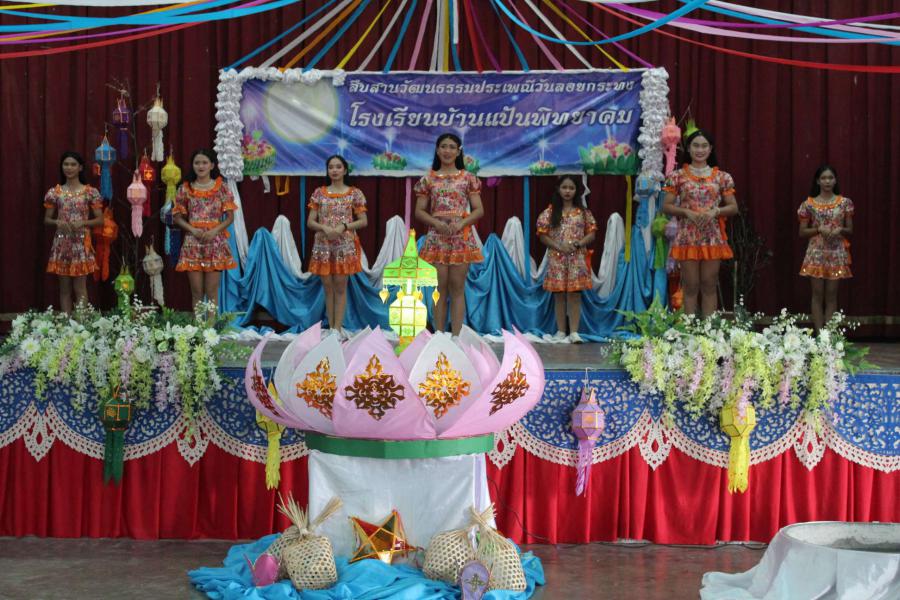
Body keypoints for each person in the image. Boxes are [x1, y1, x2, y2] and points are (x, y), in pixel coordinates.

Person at [662, 129, 738, 317]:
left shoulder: (722, 177)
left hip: (712, 237)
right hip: (687, 237)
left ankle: (708, 329)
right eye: (695, 145)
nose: (700, 150)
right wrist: (686, 212)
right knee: (690, 286)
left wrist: (715, 211)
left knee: (709, 285)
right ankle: (690, 330)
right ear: (688, 148)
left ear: (710, 149)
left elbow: (733, 207)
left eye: (704, 146)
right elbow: (666, 206)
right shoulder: (677, 176)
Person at [414, 133, 484, 336]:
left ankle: (456, 336)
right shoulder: (428, 179)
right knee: (440, 288)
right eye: (443, 146)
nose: (447, 150)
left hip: (461, 239)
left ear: (458, 151)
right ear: (437, 150)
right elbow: (419, 211)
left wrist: (461, 223)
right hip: (437, 239)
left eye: (452, 147)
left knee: (457, 288)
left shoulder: (468, 178)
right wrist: (436, 223)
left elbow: (479, 209)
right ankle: (439, 334)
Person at [307, 155, 367, 337]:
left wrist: (344, 226)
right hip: (323, 246)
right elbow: (310, 221)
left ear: (345, 170)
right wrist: (324, 227)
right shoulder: (319, 193)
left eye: (338, 167)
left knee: (340, 287)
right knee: (328, 287)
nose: (334, 170)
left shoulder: (354, 193)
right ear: (327, 171)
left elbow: (363, 221)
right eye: (331, 167)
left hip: (344, 246)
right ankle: (330, 328)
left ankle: (337, 330)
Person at [172, 148, 237, 312]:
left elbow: (230, 217)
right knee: (196, 292)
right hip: (193, 243)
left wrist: (215, 231)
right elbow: (177, 217)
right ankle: (198, 327)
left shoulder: (221, 188)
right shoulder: (185, 189)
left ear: (212, 165)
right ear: (192, 165)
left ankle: (211, 327)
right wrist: (192, 230)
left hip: (215, 243)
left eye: (204, 163)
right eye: (197, 163)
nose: (200, 166)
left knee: (212, 292)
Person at [536, 175, 597, 343]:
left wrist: (578, 244)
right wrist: (558, 246)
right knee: (559, 296)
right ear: (558, 189)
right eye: (564, 187)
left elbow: (592, 233)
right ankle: (561, 331)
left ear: (576, 191)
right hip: (557, 260)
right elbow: (542, 235)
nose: (568, 191)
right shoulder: (549, 212)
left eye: (571, 188)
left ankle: (574, 332)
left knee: (575, 295)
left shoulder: (583, 212)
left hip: (577, 259)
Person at [44, 151, 105, 313]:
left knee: (80, 288)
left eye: (73, 164)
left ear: (80, 168)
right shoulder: (55, 192)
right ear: (61, 167)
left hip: (81, 244)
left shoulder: (90, 192)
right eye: (66, 164)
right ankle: (66, 323)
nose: (69, 168)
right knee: (64, 289)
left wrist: (83, 222)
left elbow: (100, 220)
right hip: (61, 244)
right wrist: (57, 222)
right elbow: (47, 219)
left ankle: (80, 324)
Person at [798, 165, 853, 330]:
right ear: (818, 181)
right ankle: (819, 335)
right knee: (817, 295)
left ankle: (828, 335)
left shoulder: (844, 203)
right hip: (816, 253)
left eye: (830, 178)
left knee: (831, 296)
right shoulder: (808, 204)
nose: (827, 181)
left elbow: (850, 230)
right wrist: (818, 229)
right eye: (823, 178)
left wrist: (840, 229)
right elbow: (802, 232)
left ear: (835, 180)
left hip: (836, 253)